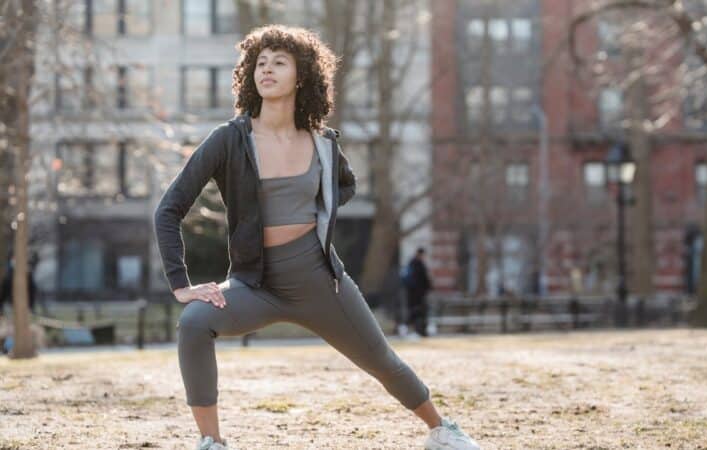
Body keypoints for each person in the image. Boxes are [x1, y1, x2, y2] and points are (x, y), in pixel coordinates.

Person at [153, 25, 481, 450]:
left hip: (320, 281)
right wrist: (181, 285)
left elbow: (345, 185)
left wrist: (314, 217)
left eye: (279, 62)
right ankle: (211, 442)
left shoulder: (323, 144)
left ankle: (441, 431)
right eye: (260, 62)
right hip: (256, 284)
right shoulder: (228, 140)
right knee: (195, 323)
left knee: (382, 360)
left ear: (302, 75)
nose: (266, 69)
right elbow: (169, 209)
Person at [403, 247, 433, 338]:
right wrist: (429, 287)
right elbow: (424, 279)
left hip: (412, 293)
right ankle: (418, 331)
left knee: (415, 312)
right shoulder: (418, 264)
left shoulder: (412, 263)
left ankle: (413, 330)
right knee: (418, 312)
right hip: (418, 294)